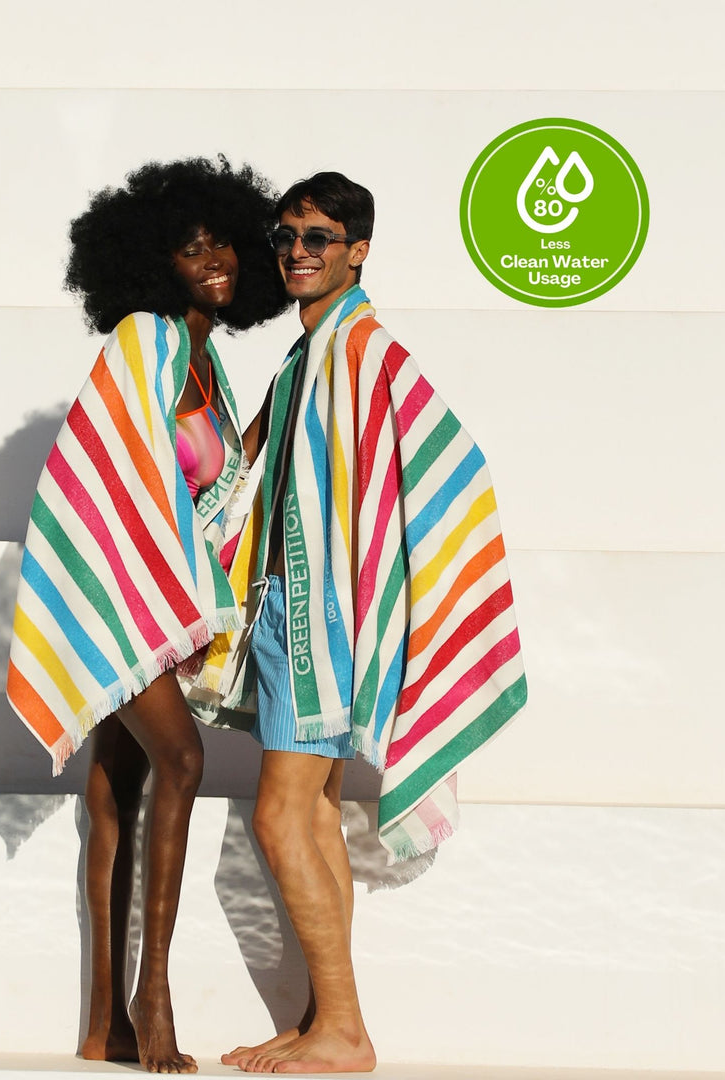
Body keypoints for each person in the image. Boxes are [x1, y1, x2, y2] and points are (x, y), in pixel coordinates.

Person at [212, 173, 527, 1073]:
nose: (298, 251)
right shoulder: (307, 353)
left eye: (318, 236)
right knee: (306, 814)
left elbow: (452, 465)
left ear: (357, 249)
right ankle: (323, 1023)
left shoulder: (364, 350)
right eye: (285, 236)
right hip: (283, 614)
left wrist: (382, 582)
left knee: (279, 816)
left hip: (324, 626)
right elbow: (262, 476)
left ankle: (345, 1032)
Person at [6, 157, 288, 1074]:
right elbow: (107, 481)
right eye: (189, 246)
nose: (212, 259)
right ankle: (150, 995)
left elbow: (204, 491)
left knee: (118, 786)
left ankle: (102, 1026)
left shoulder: (206, 364)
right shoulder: (146, 340)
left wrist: (279, 412)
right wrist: (164, 594)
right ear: (152, 262)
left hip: (146, 592)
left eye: (222, 243)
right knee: (185, 758)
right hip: (118, 592)